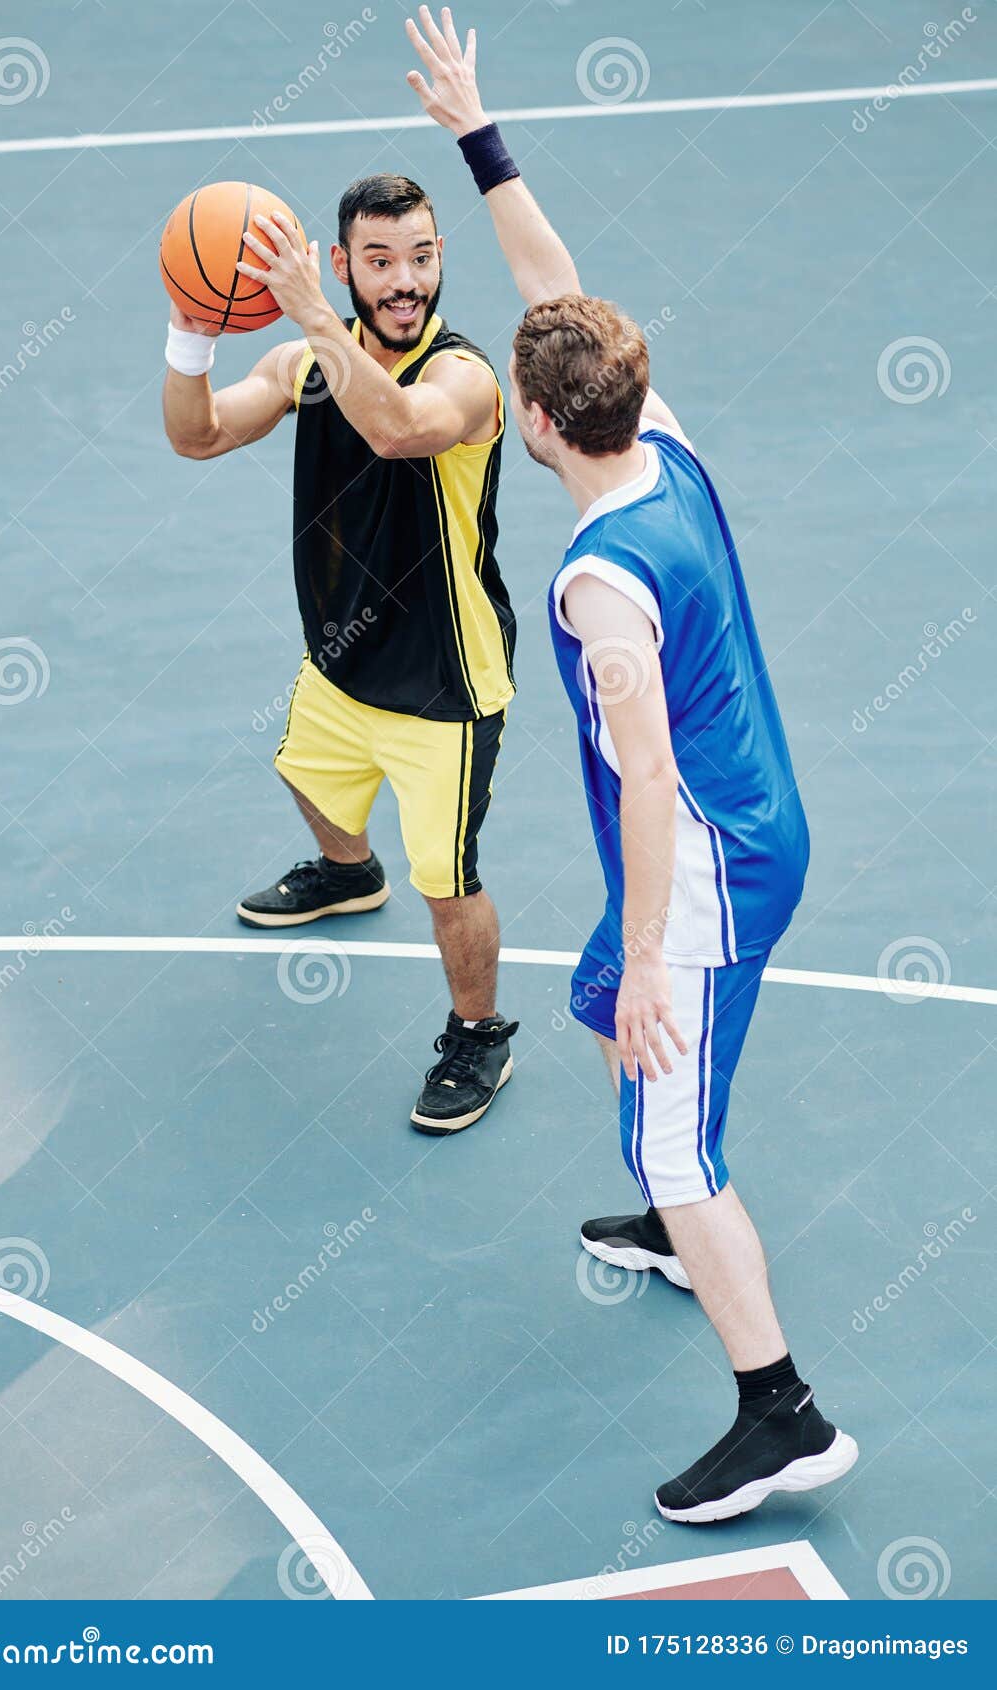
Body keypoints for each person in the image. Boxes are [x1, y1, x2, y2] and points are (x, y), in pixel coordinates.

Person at [405, 5, 858, 1521]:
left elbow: (645, 777)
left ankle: (780, 1410)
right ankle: (677, 1218)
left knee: (658, 1092)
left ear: (531, 421)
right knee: (597, 988)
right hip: (760, 818)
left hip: (710, 860)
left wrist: (658, 955)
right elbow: (556, 284)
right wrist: (479, 132)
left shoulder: (603, 585)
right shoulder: (660, 437)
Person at [162, 171, 517, 1135]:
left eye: (422, 257)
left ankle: (480, 1032)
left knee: (448, 883)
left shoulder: (467, 377)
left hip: (444, 683)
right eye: (380, 261)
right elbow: (193, 437)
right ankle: (351, 873)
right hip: (340, 659)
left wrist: (316, 319)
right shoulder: (302, 366)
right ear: (340, 265)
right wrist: (190, 333)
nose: (405, 281)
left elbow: (401, 430)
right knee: (305, 773)